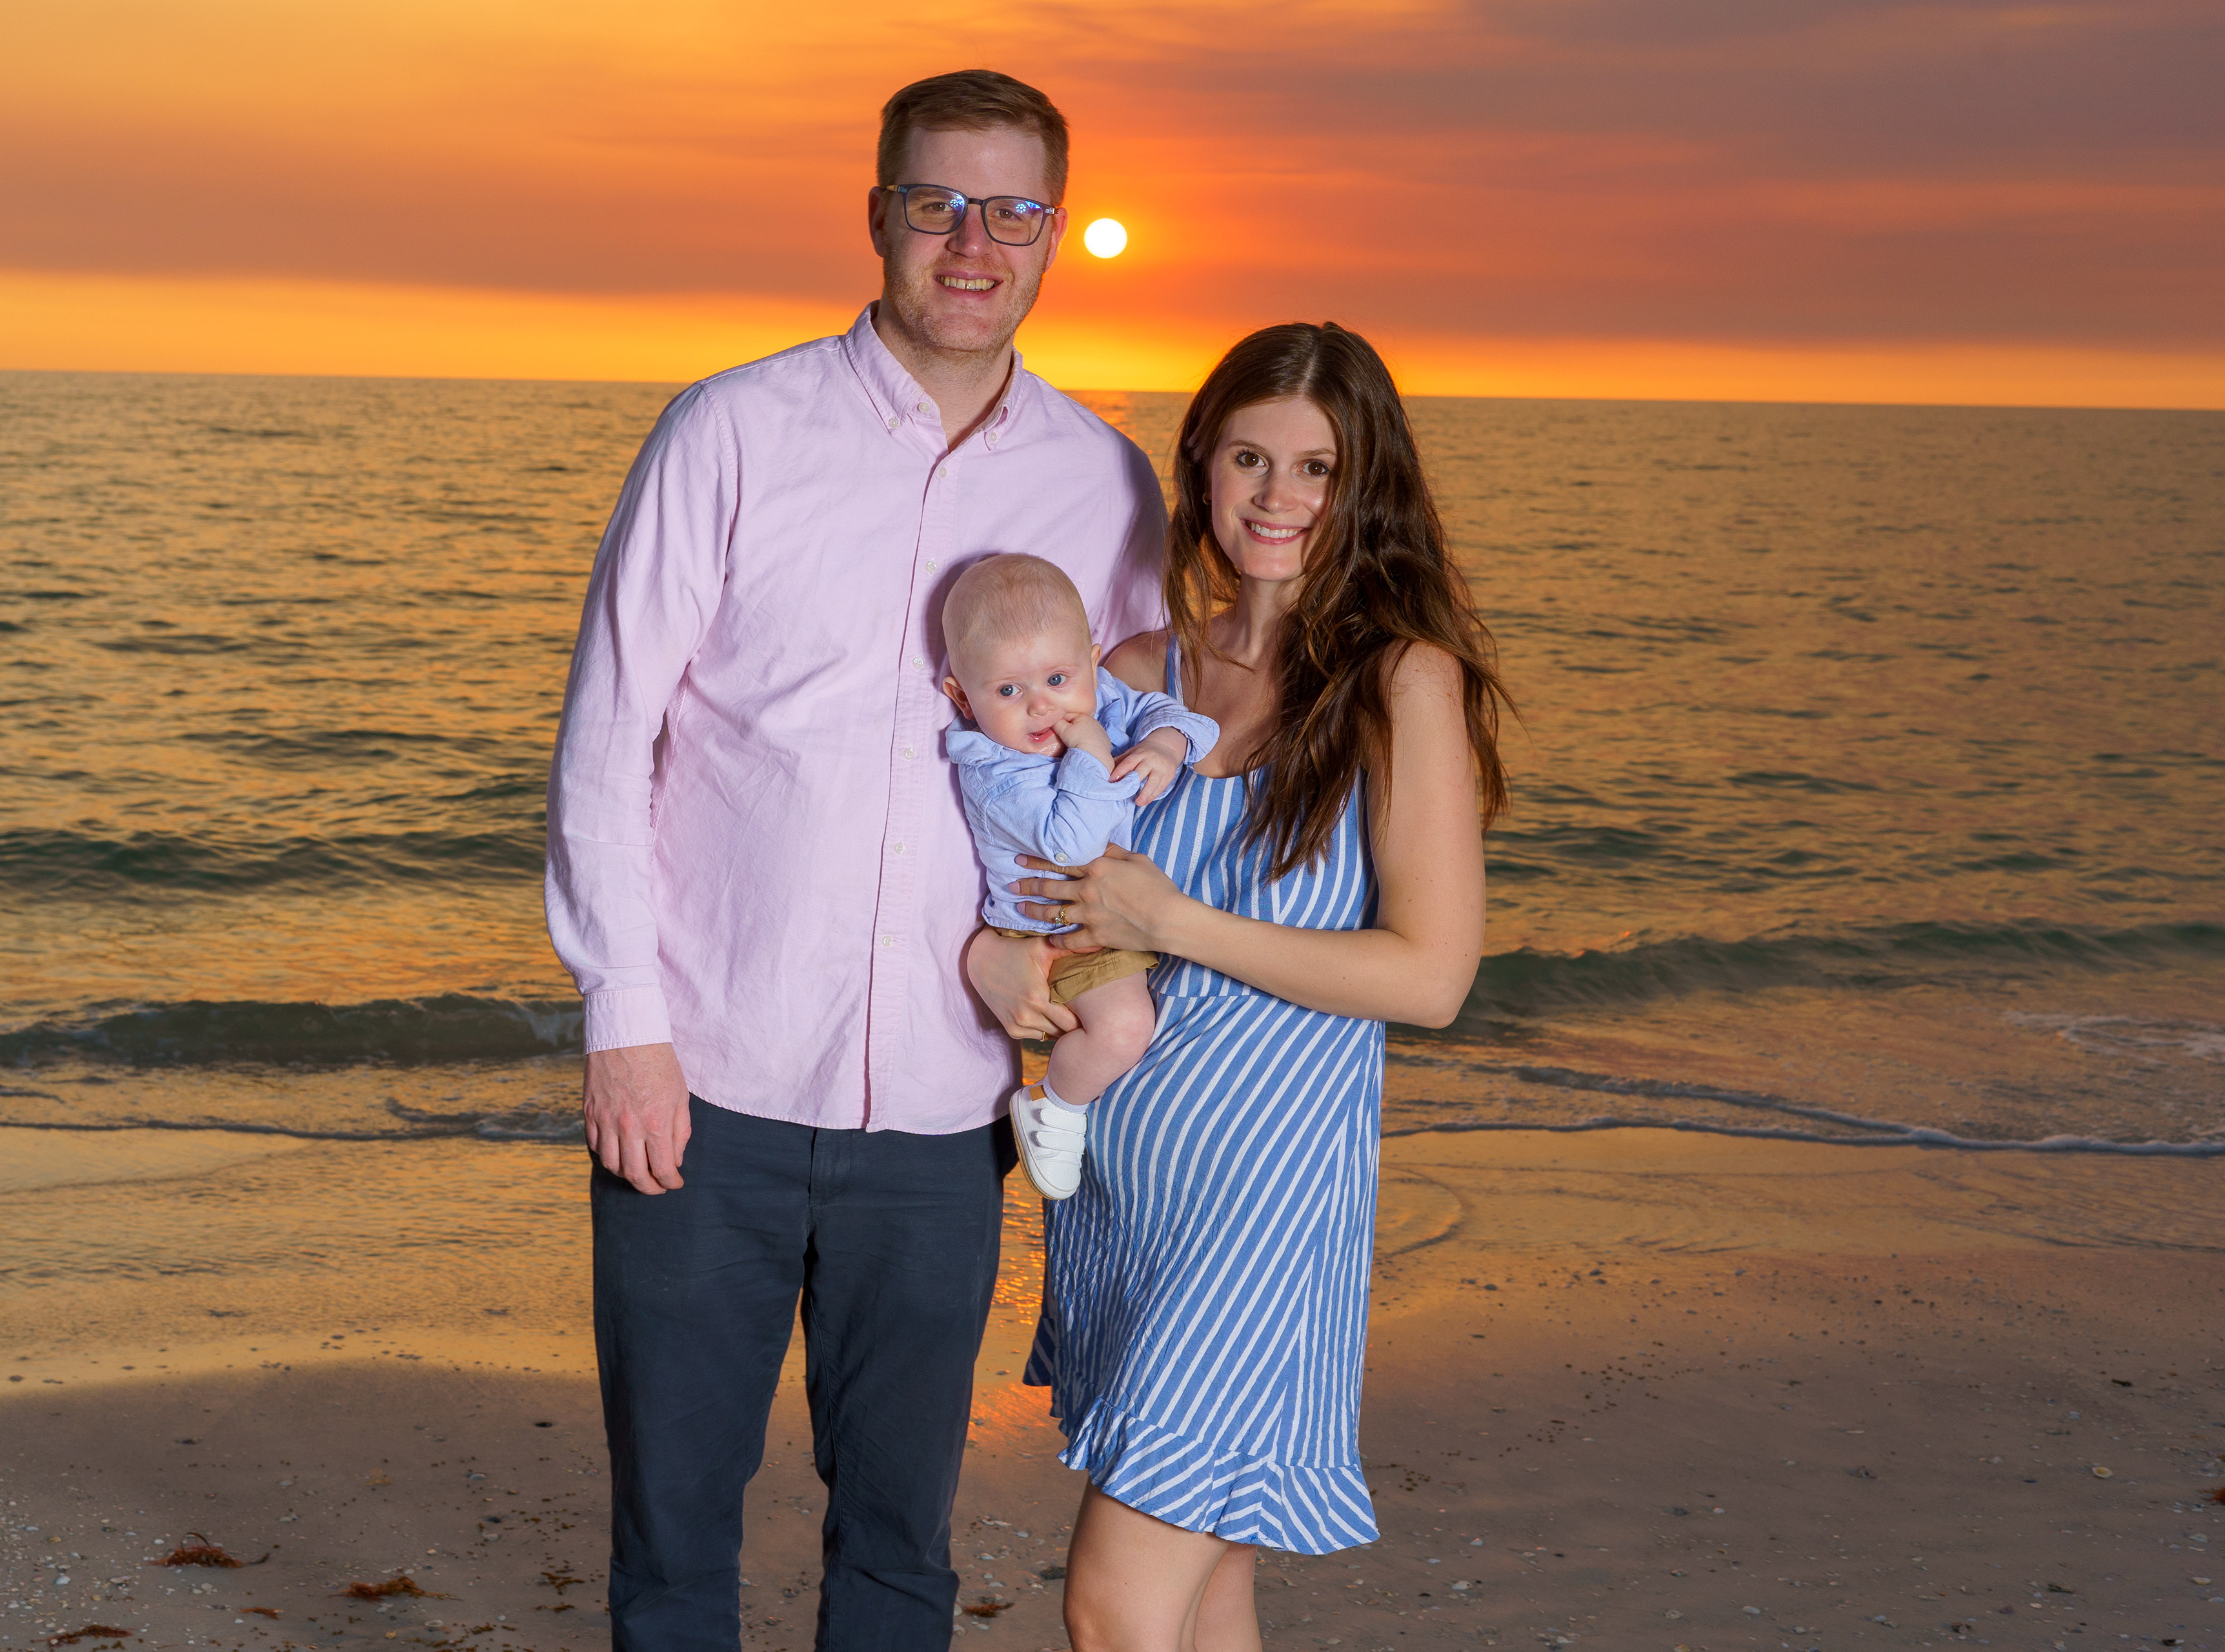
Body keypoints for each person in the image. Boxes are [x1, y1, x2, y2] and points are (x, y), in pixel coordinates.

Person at [543, 70, 1165, 1651]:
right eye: (935, 202)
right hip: (709, 1080)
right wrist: (624, 1021)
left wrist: (1088, 977)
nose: (974, 240)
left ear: (1051, 234)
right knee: (672, 1533)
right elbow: (611, 737)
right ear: (876, 215)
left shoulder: (1104, 484)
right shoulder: (731, 429)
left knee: (898, 1540)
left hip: (948, 1105)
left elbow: (1139, 747)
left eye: (1012, 208)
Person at [982, 321, 1511, 1651]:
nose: (1279, 497)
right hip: (1123, 1202)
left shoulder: (1400, 682)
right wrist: (999, 959)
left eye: (1318, 467)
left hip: (1266, 1218)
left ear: (1365, 485)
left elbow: (1433, 974)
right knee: (1211, 1592)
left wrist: (1178, 917)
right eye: (1250, 459)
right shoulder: (1138, 675)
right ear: (1203, 469)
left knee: (1113, 1602)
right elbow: (1023, 870)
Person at [938, 552, 1220, 1199]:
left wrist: (1164, 744)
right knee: (1124, 1028)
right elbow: (1072, 840)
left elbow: (1190, 720)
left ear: (1094, 663)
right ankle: (1054, 1106)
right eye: (1008, 691)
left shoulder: (1099, 697)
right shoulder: (995, 767)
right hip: (1054, 933)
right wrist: (1095, 750)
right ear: (962, 695)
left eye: (1059, 678)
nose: (1042, 708)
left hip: (1104, 915)